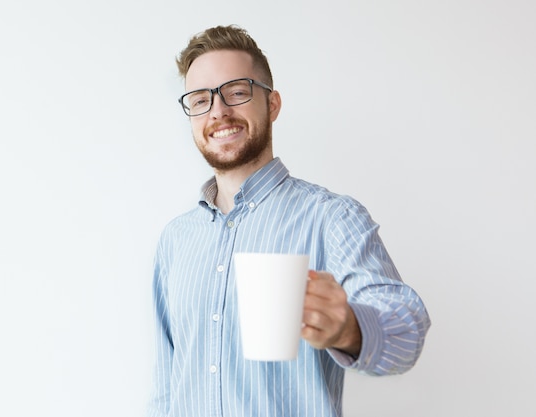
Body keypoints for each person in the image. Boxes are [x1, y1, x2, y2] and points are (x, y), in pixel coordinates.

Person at [148, 25, 431, 417]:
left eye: (236, 91)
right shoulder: (175, 240)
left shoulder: (331, 218)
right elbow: (168, 387)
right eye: (200, 99)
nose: (218, 110)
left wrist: (350, 327)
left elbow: (407, 334)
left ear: (273, 104)